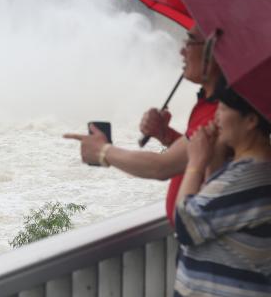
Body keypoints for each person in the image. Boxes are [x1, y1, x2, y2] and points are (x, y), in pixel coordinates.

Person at [64, 26, 221, 226]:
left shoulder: (219, 113)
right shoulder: (207, 104)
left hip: (203, 246)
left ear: (215, 51)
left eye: (190, 42)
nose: (182, 51)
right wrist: (167, 136)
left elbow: (160, 167)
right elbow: (199, 153)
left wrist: (103, 152)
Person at [174, 80, 271, 296]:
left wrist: (195, 164)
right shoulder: (253, 171)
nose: (216, 115)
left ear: (251, 120)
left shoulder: (248, 177)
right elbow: (216, 213)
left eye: (224, 108)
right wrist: (215, 156)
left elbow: (185, 224)